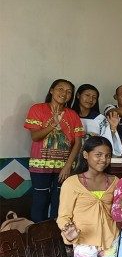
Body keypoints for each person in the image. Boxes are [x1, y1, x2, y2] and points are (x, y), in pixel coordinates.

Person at [25, 79, 84, 222]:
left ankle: (55, 234)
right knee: (40, 200)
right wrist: (53, 125)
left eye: (69, 91)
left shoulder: (72, 115)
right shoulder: (37, 109)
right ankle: (38, 236)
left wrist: (68, 166)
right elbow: (35, 136)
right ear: (51, 90)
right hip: (40, 166)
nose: (64, 93)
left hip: (63, 167)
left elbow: (78, 143)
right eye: (60, 89)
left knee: (60, 201)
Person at [71, 84, 122, 156]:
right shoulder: (68, 116)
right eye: (87, 95)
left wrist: (113, 128)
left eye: (94, 97)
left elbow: (106, 141)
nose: (91, 99)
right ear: (78, 95)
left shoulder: (100, 119)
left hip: (92, 159)